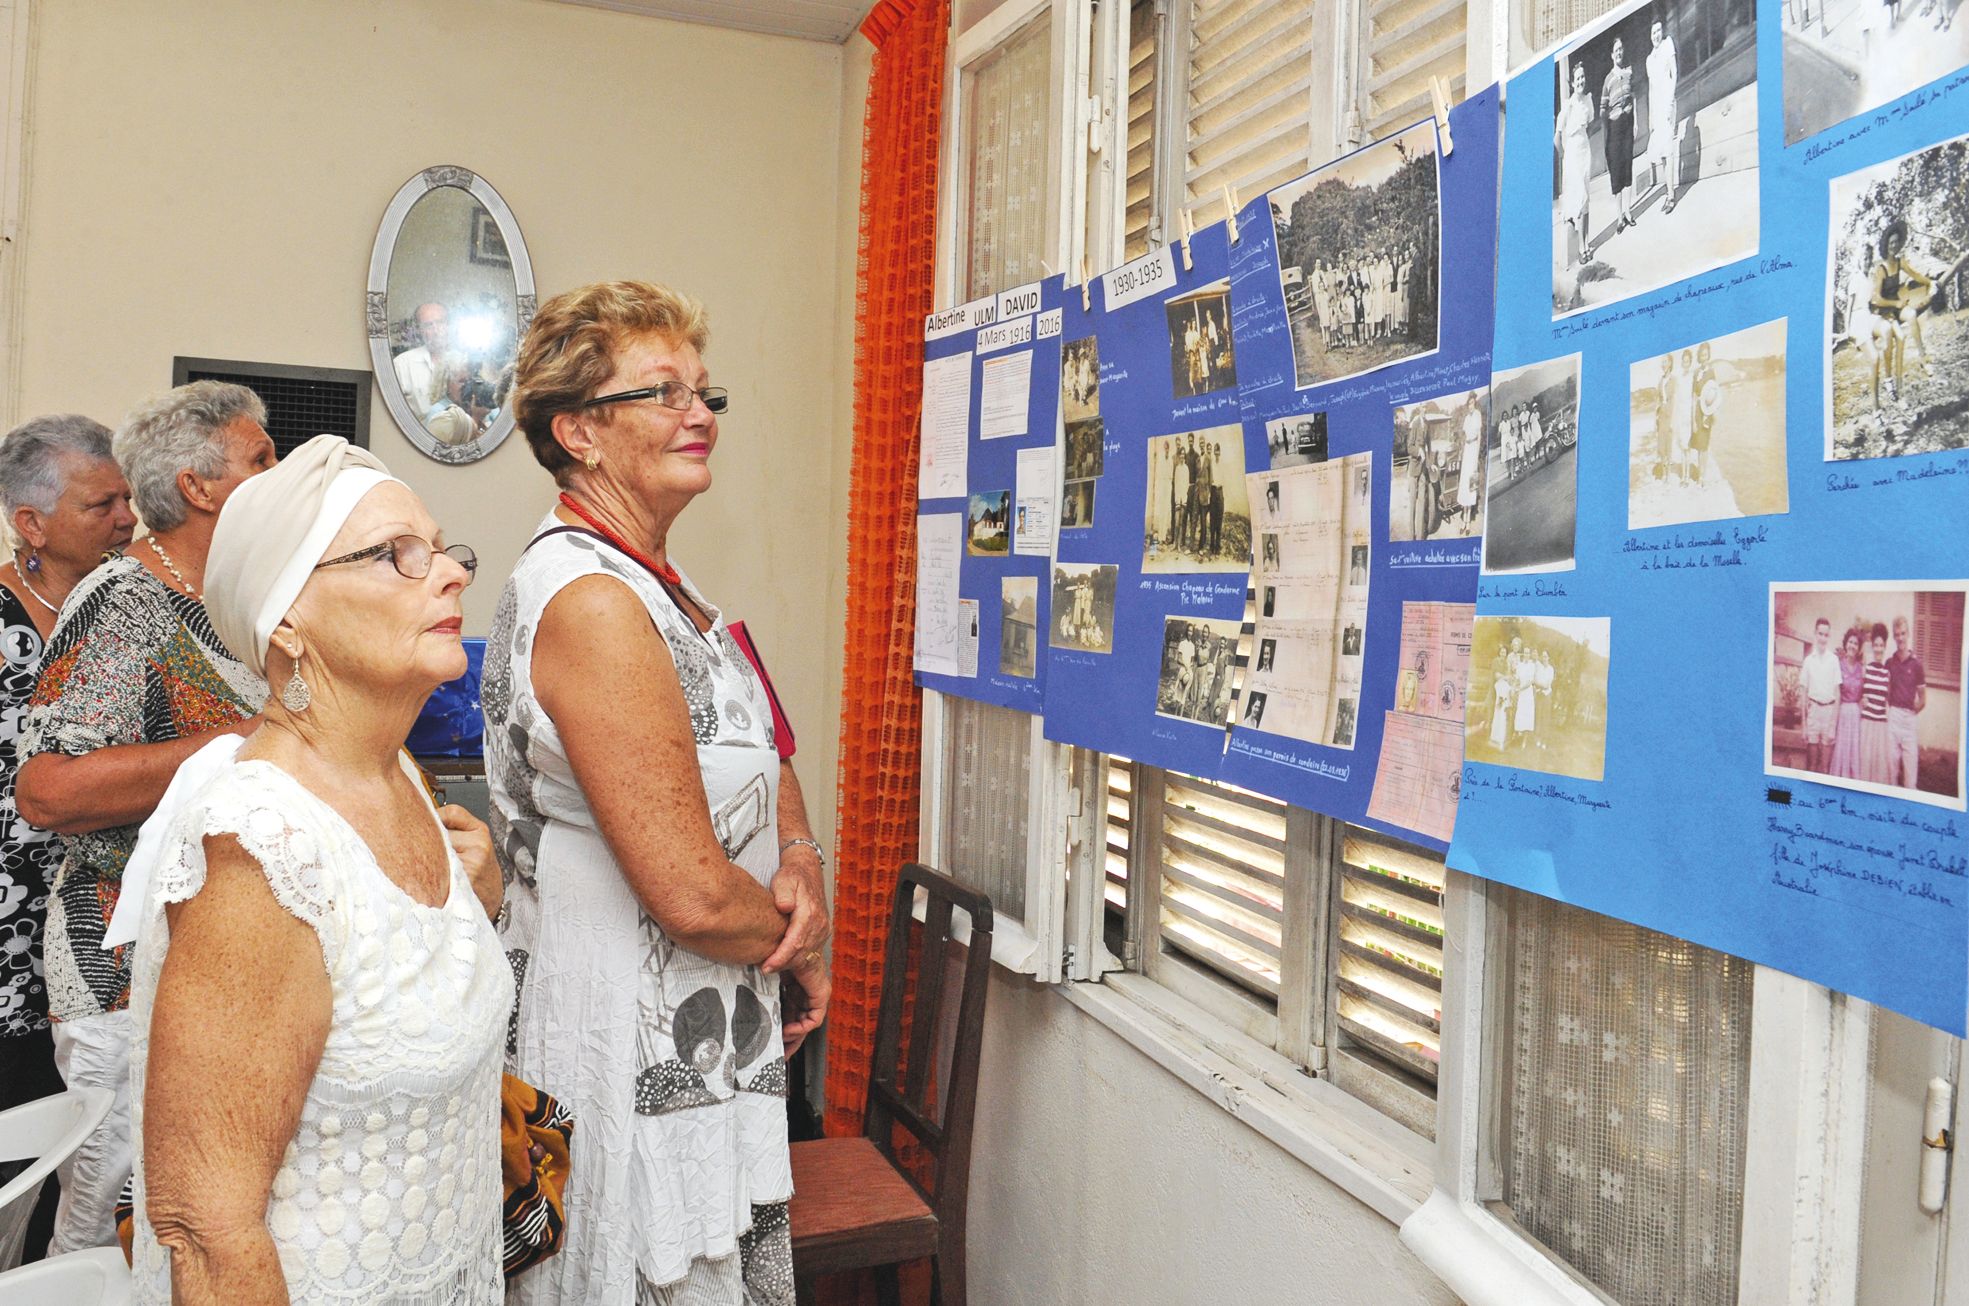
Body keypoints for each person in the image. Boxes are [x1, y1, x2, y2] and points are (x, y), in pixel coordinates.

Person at [487, 281, 829, 1305]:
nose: (698, 413)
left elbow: (764, 749)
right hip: (625, 1023)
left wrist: (801, 855)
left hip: (709, 1009)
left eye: (704, 390)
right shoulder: (592, 601)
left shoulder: (670, 589)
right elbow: (684, 891)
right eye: (663, 392)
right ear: (579, 431)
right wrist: (803, 941)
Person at [124, 435, 508, 1301]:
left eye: (442, 549)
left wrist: (474, 904)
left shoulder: (396, 773)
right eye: (395, 556)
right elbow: (209, 1233)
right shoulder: (259, 847)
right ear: (286, 618)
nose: (448, 572)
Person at [15, 381, 274, 1255]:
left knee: (188, 1226)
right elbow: (49, 791)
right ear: (199, 489)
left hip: (217, 957)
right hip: (121, 966)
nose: (278, 478)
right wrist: (245, 738)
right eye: (261, 460)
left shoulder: (241, 601)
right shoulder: (124, 601)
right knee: (102, 1237)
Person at [0, 416, 137, 1261]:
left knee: (78, 1168)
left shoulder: (117, 614)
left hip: (87, 949)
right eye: (102, 503)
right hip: (11, 955)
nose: (127, 517)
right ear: (31, 524)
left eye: (127, 497)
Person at [1869, 218, 1935, 416]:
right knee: (1898, 339)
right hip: (1885, 311)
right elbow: (1877, 299)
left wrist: (1931, 283)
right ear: (1885, 245)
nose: (1894, 246)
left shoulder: (1900, 262)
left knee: (1913, 314)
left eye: (1897, 242)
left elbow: (1915, 276)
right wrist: (1895, 304)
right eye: (1891, 243)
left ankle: (1923, 359)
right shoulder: (1880, 269)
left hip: (1898, 307)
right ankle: (1891, 384)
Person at [393, 302, 478, 447]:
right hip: (415, 446)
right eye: (428, 325)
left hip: (465, 443)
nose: (436, 330)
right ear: (419, 330)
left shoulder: (466, 363)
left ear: (449, 325)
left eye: (440, 322)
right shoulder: (402, 364)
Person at [1555, 60, 1597, 271]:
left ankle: (1587, 242)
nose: (1581, 81)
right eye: (1578, 78)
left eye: (1583, 77)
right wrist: (1564, 156)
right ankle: (1581, 248)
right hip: (1572, 156)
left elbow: (1589, 121)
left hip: (1585, 150)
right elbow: (1557, 137)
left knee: (1586, 198)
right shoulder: (1568, 105)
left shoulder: (1587, 101)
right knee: (1579, 198)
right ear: (1572, 83)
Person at [1602, 38, 1639, 233]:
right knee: (1616, 172)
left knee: (1627, 170)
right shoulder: (1608, 80)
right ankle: (1619, 218)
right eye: (1615, 50)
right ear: (1611, 54)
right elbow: (1603, 110)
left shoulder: (1629, 71)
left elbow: (1634, 96)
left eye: (1620, 49)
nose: (1618, 53)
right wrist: (1607, 134)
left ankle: (1628, 212)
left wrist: (1636, 121)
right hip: (1615, 129)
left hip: (1628, 125)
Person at [1645, 16, 1681, 212]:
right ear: (1650, 36)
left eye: (1658, 30)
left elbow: (1674, 73)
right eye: (1653, 32)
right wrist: (1651, 116)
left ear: (1662, 31)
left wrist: (1669, 101)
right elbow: (1650, 89)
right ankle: (1668, 192)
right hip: (1657, 108)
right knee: (1661, 152)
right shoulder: (1649, 59)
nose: (1656, 35)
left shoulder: (1668, 45)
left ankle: (1671, 196)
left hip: (1667, 103)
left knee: (1668, 148)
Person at [1887, 614, 1927, 789]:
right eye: (1897, 634)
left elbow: (1923, 699)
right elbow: (1887, 692)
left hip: (1909, 720)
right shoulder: (1890, 662)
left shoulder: (1917, 664)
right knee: (1891, 769)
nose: (1900, 638)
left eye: (1903, 633)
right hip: (1893, 717)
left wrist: (1911, 712)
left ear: (1908, 633)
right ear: (1894, 637)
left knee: (1910, 776)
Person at [1800, 617, 1842, 773]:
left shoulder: (1834, 660)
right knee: (1811, 765)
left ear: (1829, 636)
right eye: (1820, 634)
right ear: (1815, 634)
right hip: (1813, 712)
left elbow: (1837, 695)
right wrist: (1804, 725)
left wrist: (1832, 726)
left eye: (1826, 635)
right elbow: (1803, 694)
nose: (1823, 638)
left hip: (1828, 713)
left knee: (1825, 767)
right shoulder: (1808, 661)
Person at [1830, 627, 1866, 780]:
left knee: (1854, 750)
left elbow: (1864, 693)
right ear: (1846, 644)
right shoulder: (1838, 665)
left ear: (1858, 648)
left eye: (1856, 644)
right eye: (1850, 642)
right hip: (1843, 711)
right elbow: (1835, 693)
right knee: (1842, 750)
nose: (1852, 646)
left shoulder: (1861, 669)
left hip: (1856, 714)